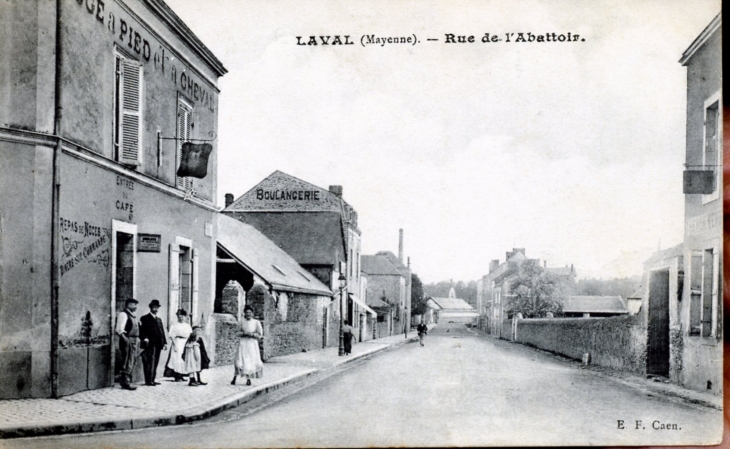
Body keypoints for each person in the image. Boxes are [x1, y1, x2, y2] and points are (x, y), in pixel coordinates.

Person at [231, 305, 263, 386]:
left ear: (252, 314)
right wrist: (244, 333)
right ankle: (235, 377)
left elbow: (260, 334)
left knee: (250, 360)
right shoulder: (242, 321)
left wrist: (252, 334)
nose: (248, 314)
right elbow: (237, 332)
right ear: (244, 313)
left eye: (250, 312)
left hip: (252, 344)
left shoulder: (256, 322)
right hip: (243, 343)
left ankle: (248, 379)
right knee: (240, 360)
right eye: (247, 312)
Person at [139, 299, 167, 386]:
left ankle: (153, 379)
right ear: (150, 308)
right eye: (154, 307)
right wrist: (144, 338)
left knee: (155, 361)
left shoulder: (159, 319)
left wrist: (164, 343)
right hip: (150, 344)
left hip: (158, 344)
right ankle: (148, 380)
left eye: (157, 308)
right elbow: (141, 331)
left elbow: (161, 331)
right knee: (149, 362)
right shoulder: (145, 318)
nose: (156, 309)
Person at [115, 298, 140, 390]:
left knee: (132, 360)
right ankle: (125, 382)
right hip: (128, 340)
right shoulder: (123, 314)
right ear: (129, 304)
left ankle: (127, 380)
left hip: (134, 340)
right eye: (134, 305)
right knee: (127, 360)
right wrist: (126, 340)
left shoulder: (132, 315)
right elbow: (119, 329)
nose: (136, 307)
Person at [165, 309, 192, 381]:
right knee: (177, 358)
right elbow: (171, 335)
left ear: (185, 317)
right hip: (177, 342)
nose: (181, 318)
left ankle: (182, 375)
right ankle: (177, 376)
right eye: (179, 317)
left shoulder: (187, 325)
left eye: (182, 316)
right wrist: (175, 344)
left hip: (185, 342)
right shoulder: (174, 325)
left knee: (183, 358)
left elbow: (190, 335)